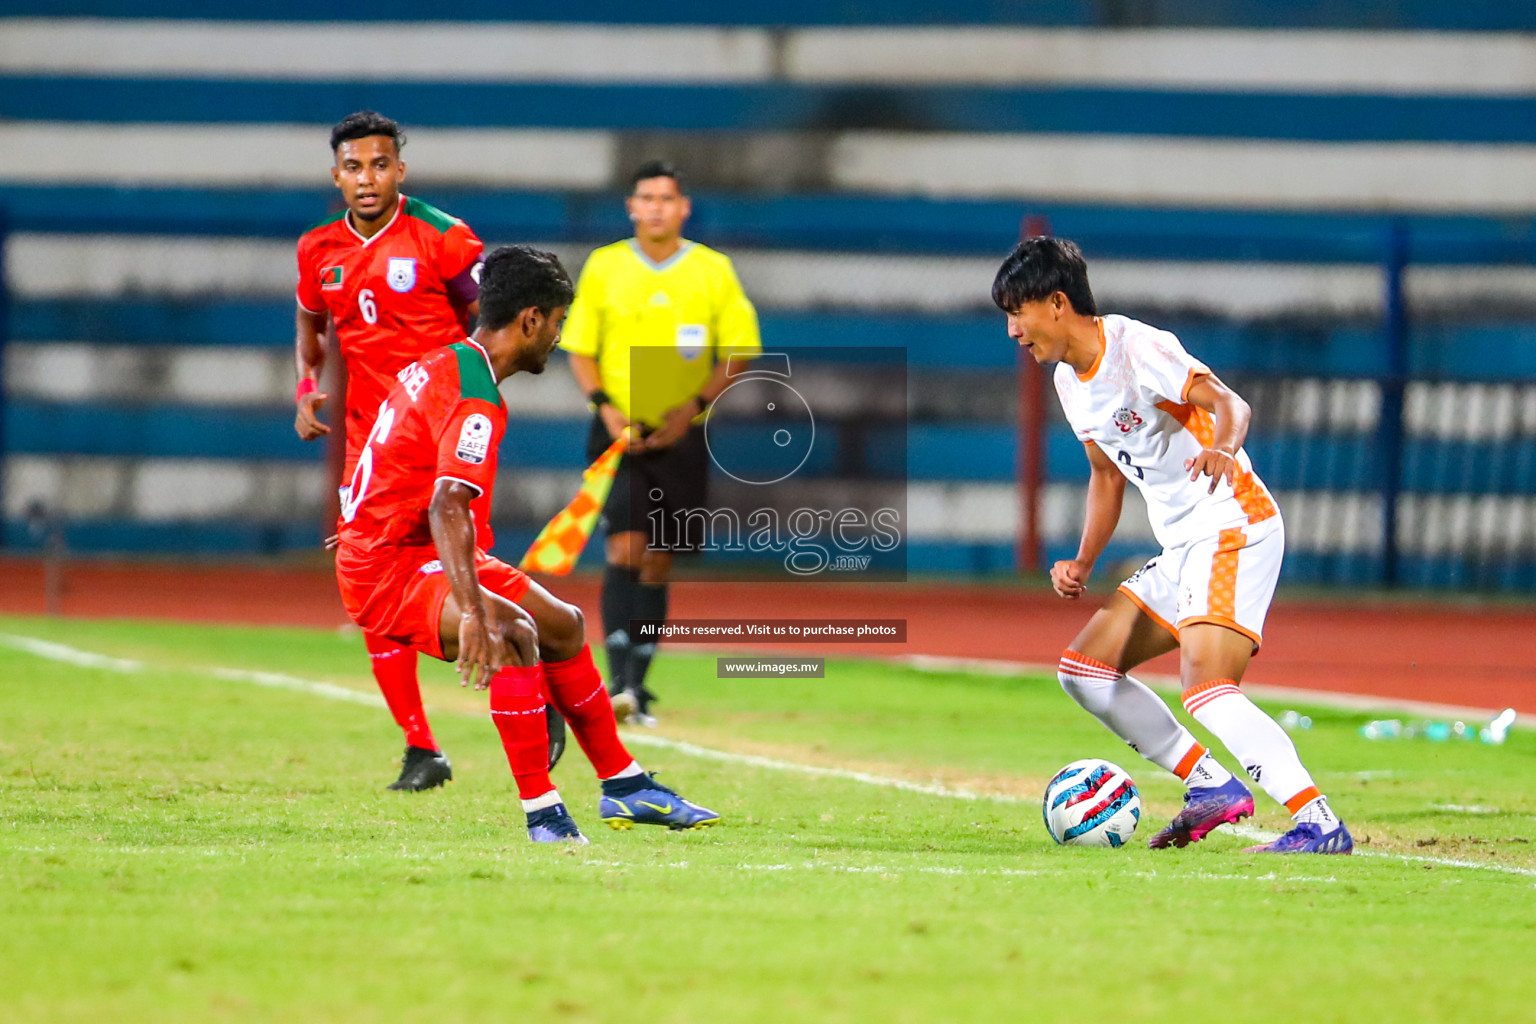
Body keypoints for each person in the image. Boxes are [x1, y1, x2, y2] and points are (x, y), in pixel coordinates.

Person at [334, 244, 720, 842]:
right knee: (511, 630)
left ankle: (626, 786)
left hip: (410, 548)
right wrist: (477, 612)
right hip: (388, 568)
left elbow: (396, 465)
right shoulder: (476, 398)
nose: (560, 340)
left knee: (562, 623)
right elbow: (447, 504)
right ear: (531, 320)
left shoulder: (445, 363)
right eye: (559, 322)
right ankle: (545, 815)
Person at [993, 237, 1351, 855]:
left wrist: (1225, 448)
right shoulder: (1069, 382)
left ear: (1056, 303)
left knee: (1206, 688)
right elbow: (1106, 476)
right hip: (1186, 543)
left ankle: (1319, 823)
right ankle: (1210, 785)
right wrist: (1083, 561)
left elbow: (1229, 404)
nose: (1012, 330)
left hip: (1233, 523)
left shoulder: (1137, 348)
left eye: (1017, 312)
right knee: (1085, 671)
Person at [293, 110, 568, 789]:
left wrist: (465, 385)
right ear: (337, 175)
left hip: (437, 432)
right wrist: (306, 383)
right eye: (354, 166)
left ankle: (532, 676)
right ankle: (422, 745)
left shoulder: (443, 240)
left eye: (380, 164)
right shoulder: (317, 249)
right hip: (371, 443)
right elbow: (310, 315)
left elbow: (495, 317)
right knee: (376, 584)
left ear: (400, 171)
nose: (367, 177)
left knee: (453, 570)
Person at [560, 160, 761, 725]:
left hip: (682, 436)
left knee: (657, 560)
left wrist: (692, 408)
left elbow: (739, 350)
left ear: (683, 207)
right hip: (618, 432)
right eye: (645, 197)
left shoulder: (712, 271)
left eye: (665, 198)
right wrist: (606, 407)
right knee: (624, 548)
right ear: (631, 207)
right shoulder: (605, 267)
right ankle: (616, 679)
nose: (655, 207)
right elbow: (579, 348)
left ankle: (638, 685)